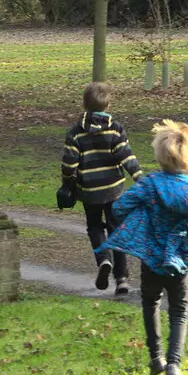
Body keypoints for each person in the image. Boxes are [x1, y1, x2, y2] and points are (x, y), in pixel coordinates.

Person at [101, 119, 188, 375]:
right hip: (180, 261)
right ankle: (175, 364)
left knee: (150, 302)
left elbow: (119, 208)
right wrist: (186, 242)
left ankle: (156, 358)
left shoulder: (150, 185)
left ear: (160, 155)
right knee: (180, 310)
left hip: (151, 258)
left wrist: (143, 218)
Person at [61, 81, 142, 295]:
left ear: (84, 104)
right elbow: (126, 156)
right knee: (117, 229)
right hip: (113, 189)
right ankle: (122, 278)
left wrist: (68, 181)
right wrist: (138, 177)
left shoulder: (76, 132)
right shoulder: (115, 129)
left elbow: (69, 163)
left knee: (95, 227)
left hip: (89, 191)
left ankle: (103, 260)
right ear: (108, 105)